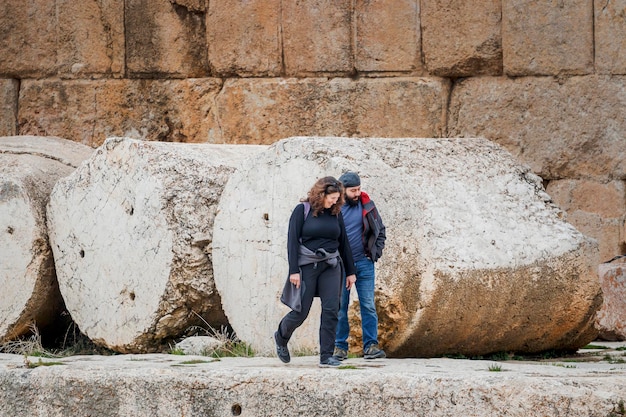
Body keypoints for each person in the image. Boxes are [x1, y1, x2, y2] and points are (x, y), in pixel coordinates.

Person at [274, 176, 357, 367]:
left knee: (331, 309)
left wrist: (351, 271)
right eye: (331, 198)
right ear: (321, 194)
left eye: (337, 198)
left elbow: (343, 242)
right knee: (300, 312)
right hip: (306, 266)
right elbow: (292, 242)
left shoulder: (336, 213)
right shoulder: (302, 210)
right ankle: (281, 336)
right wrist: (293, 270)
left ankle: (326, 356)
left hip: (331, 265)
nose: (334, 202)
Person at [334, 171, 387, 360]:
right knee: (340, 306)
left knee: (368, 305)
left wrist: (375, 253)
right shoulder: (335, 208)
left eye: (358, 189)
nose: (357, 193)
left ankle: (371, 346)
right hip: (340, 266)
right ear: (343, 190)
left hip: (364, 263)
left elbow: (380, 230)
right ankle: (339, 347)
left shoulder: (367, 205)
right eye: (352, 190)